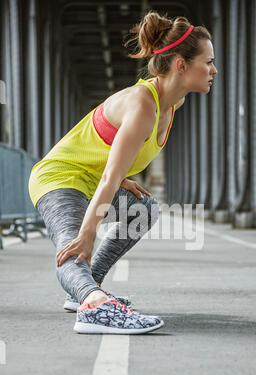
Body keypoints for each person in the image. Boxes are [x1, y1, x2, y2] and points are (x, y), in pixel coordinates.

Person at [28, 11, 217, 335]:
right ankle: (92, 305)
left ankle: (89, 286)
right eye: (208, 61)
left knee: (144, 209)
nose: (214, 70)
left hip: (87, 178)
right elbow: (107, 177)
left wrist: (121, 175)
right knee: (72, 248)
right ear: (181, 65)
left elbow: (112, 157)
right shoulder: (143, 103)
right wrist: (87, 235)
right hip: (59, 177)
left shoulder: (172, 105)